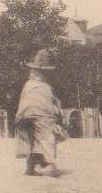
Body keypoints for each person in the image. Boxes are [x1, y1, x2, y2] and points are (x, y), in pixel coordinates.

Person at [14, 49, 68, 177]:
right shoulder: (46, 87)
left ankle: (30, 167)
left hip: (25, 113)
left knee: (31, 139)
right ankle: (44, 163)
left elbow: (24, 101)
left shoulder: (28, 84)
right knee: (45, 137)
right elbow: (50, 105)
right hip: (41, 114)